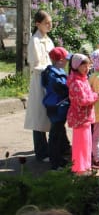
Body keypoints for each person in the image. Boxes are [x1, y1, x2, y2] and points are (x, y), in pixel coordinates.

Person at [67, 54, 99, 175]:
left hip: (85, 117)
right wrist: (97, 95)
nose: (87, 68)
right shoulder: (76, 81)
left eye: (88, 66)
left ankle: (85, 166)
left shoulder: (81, 79)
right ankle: (79, 168)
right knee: (80, 144)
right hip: (80, 117)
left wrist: (95, 94)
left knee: (86, 143)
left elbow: (86, 96)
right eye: (84, 66)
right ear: (76, 66)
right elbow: (83, 100)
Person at [24, 10, 55, 162]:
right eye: (46, 23)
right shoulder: (34, 41)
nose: (50, 25)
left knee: (50, 115)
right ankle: (41, 152)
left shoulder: (48, 39)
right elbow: (35, 65)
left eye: (51, 22)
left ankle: (52, 147)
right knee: (39, 116)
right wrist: (50, 70)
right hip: (40, 81)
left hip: (50, 81)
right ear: (38, 24)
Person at [41, 47, 71, 170]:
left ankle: (59, 158)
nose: (67, 62)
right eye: (66, 60)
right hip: (58, 106)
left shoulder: (49, 71)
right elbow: (63, 89)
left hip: (53, 104)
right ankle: (55, 163)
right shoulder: (56, 75)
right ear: (60, 60)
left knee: (59, 133)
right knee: (55, 136)